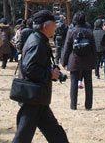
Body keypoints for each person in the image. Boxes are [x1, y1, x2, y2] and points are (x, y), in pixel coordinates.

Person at [12, 9, 69, 143]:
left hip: (38, 96)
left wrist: (52, 71)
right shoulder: (36, 42)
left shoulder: (39, 39)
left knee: (55, 133)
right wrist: (50, 73)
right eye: (54, 24)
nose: (56, 27)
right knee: (23, 137)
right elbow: (29, 69)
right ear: (46, 26)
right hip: (33, 98)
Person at [62, 10, 96, 110]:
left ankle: (73, 106)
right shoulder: (90, 31)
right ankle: (88, 105)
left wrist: (64, 61)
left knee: (73, 83)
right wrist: (95, 60)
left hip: (74, 60)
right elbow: (93, 47)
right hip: (88, 60)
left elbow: (67, 47)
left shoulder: (71, 31)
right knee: (88, 83)